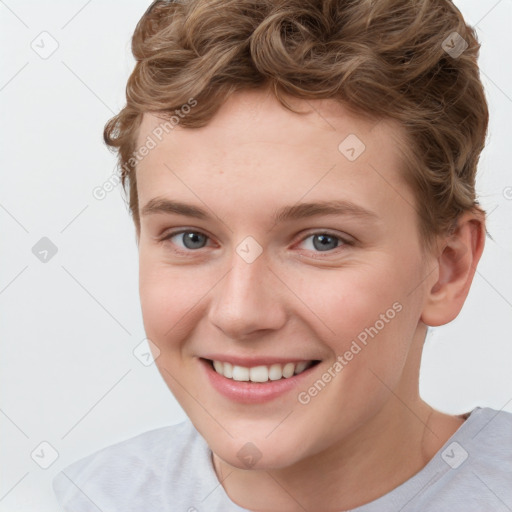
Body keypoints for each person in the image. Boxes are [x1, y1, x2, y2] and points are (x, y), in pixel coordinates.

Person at [52, 0, 512, 510]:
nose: (240, 313)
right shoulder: (92, 497)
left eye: (322, 241)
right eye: (191, 238)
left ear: (448, 269)